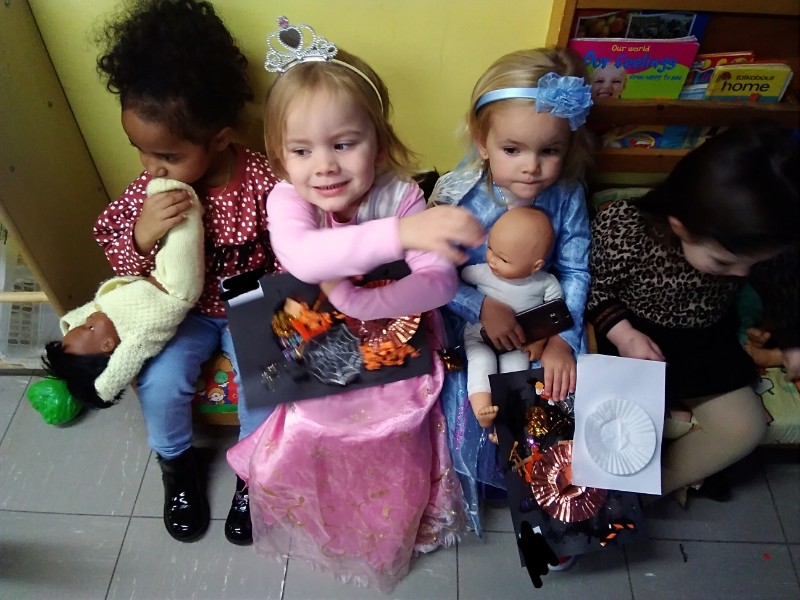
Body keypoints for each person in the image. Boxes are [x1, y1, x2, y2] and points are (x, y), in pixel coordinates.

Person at [226, 17, 466, 593]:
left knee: (398, 421)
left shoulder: (400, 195)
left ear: (378, 141)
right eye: (301, 150)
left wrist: (365, 297)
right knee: (307, 421)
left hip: (392, 334)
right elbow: (304, 257)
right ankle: (298, 498)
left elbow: (440, 285)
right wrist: (401, 238)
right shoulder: (289, 197)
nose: (325, 166)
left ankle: (389, 517)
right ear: (280, 157)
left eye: (343, 143)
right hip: (311, 334)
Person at [92, 0, 281, 545]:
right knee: (158, 381)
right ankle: (177, 467)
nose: (151, 167)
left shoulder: (261, 180)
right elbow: (114, 251)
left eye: (167, 156)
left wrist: (272, 297)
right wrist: (141, 235)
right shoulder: (149, 191)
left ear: (219, 139)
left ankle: (253, 474)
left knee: (266, 381)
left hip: (250, 302)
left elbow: (292, 250)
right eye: (140, 151)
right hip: (185, 312)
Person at [427, 47, 594, 534]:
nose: (531, 168)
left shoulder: (567, 196)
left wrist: (562, 339)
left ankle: (552, 497)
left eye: (550, 151)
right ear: (483, 143)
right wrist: (479, 305)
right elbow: (435, 271)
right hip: (468, 317)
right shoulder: (459, 194)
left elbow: (575, 270)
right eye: (513, 149)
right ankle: (472, 481)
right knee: (466, 393)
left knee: (552, 392)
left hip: (544, 318)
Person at [587, 120, 800, 501]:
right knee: (610, 424)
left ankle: (653, 486)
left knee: (745, 428)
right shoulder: (627, 227)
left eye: (751, 264)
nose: (742, 274)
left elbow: (782, 283)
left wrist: (792, 340)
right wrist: (623, 334)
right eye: (724, 263)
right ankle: (613, 485)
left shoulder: (756, 240)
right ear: (680, 227)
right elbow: (593, 287)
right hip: (634, 336)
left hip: (704, 341)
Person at [43, 178, 203, 409]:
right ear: (108, 345)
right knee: (184, 238)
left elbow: (77, 317)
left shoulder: (103, 316)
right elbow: (119, 370)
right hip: (178, 290)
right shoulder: (136, 340)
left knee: (173, 240)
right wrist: (101, 391)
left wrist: (74, 326)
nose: (89, 318)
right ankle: (186, 199)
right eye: (89, 327)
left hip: (159, 275)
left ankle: (178, 198)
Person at [462, 207, 563, 432]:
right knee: (481, 362)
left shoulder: (544, 283)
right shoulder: (482, 272)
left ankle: (507, 423)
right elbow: (457, 278)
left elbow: (553, 312)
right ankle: (482, 410)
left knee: (516, 372)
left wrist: (540, 341)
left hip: (518, 342)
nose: (492, 261)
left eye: (504, 259)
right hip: (479, 336)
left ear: (536, 265)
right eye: (490, 249)